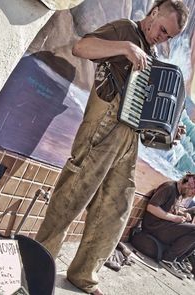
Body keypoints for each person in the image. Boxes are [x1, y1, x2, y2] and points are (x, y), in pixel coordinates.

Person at [35, 1, 189, 294]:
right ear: (154, 13)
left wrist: (168, 127)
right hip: (102, 128)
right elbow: (82, 47)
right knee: (73, 195)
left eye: (170, 36)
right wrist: (125, 49)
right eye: (163, 29)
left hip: (128, 139)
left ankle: (84, 275)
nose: (163, 37)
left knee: (115, 210)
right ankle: (40, 259)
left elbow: (143, 108)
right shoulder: (126, 31)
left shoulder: (153, 56)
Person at [142, 173, 195, 279]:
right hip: (154, 227)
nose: (192, 196)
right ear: (188, 183)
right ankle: (168, 259)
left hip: (163, 227)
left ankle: (178, 260)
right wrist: (174, 218)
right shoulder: (169, 187)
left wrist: (182, 214)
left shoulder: (178, 194)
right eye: (193, 192)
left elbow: (169, 209)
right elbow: (151, 207)